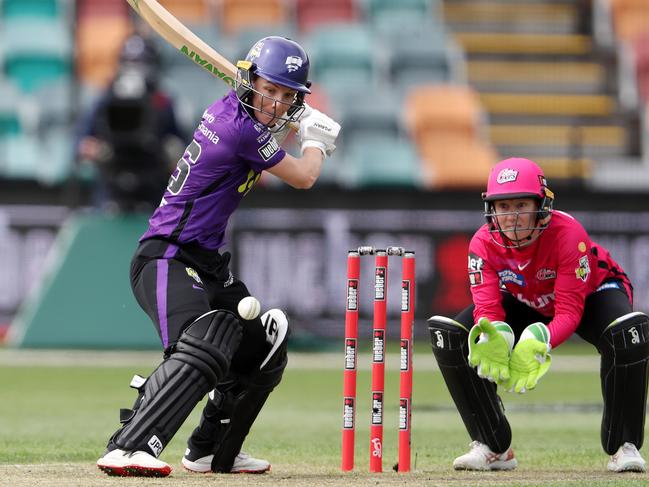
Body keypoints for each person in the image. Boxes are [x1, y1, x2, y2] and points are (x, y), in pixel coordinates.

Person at [96, 36, 340, 477]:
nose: (276, 103)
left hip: (205, 262)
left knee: (263, 346)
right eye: (270, 89)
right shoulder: (237, 129)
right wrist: (317, 141)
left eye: (288, 96)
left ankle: (210, 449)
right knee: (207, 337)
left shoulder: (239, 118)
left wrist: (298, 123)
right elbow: (304, 176)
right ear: (249, 82)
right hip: (166, 257)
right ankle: (129, 446)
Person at [428, 157, 649, 473]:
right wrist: (495, 336)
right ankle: (493, 446)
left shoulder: (568, 233)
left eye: (521, 205)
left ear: (541, 205)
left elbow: (570, 311)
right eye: (503, 207)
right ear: (491, 210)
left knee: (626, 333)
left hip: (593, 293)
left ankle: (624, 446)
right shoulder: (481, 243)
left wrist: (539, 339)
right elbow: (488, 311)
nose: (512, 216)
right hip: (526, 297)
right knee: (454, 337)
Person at [76, 33, 186, 213]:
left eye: (142, 63)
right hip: (111, 190)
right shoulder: (105, 99)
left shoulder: (163, 103)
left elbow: (183, 147)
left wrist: (171, 152)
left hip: (153, 188)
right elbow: (80, 142)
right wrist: (94, 149)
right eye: (130, 62)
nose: (136, 69)